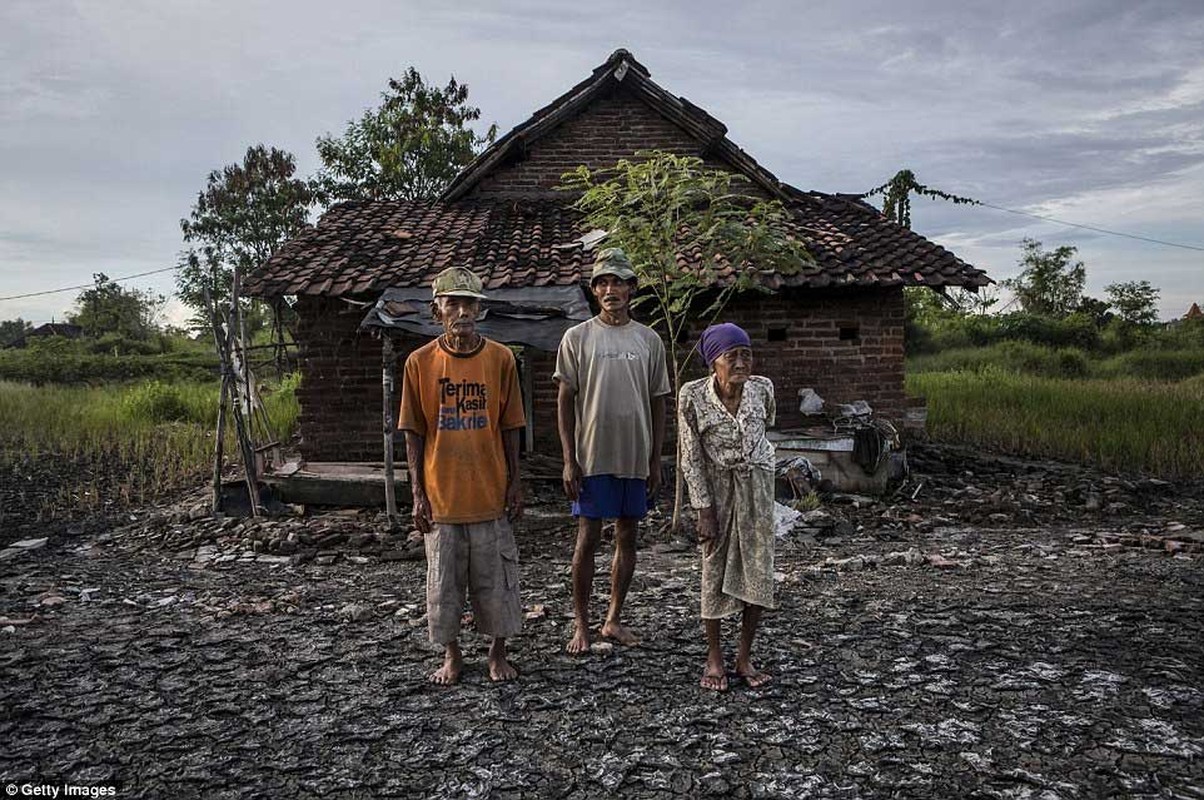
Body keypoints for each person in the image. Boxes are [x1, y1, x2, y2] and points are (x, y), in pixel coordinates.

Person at [398, 266, 526, 685]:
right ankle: (452, 656)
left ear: (480, 310)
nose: (462, 311)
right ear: (437, 311)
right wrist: (417, 492)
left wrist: (515, 481)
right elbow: (413, 432)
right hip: (442, 497)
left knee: (497, 583)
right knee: (444, 586)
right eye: (452, 303)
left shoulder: (501, 359)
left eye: (469, 303)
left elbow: (511, 426)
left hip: (489, 494)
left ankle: (497, 653)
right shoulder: (419, 363)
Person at [554, 247, 671, 654]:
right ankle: (582, 624)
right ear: (594, 290)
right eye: (603, 282)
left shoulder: (649, 340)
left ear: (631, 288)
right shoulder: (577, 338)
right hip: (592, 456)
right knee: (587, 535)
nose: (610, 289)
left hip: (635, 457)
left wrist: (656, 458)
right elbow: (565, 400)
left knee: (628, 534)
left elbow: (659, 401)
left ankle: (613, 619)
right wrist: (569, 459)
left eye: (618, 281)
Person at [677, 323, 777, 691]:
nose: (740, 362)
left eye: (746, 354)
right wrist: (703, 508)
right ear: (712, 362)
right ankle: (715, 657)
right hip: (717, 491)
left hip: (756, 491)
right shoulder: (693, 396)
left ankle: (744, 657)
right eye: (731, 355)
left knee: (758, 570)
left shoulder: (763, 389)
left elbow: (765, 427)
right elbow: (690, 456)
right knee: (714, 570)